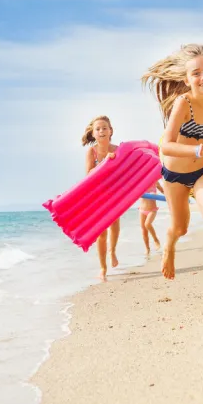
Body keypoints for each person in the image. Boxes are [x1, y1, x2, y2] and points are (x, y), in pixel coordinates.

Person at [141, 44, 203, 308]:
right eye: (196, 73)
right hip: (175, 172)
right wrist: (199, 148)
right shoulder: (183, 103)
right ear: (187, 80)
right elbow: (166, 145)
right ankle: (169, 246)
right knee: (181, 227)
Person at [82, 115, 121, 282]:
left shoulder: (117, 149)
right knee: (101, 233)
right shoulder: (92, 152)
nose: (102, 131)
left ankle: (112, 250)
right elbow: (89, 173)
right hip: (97, 195)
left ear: (110, 131)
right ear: (93, 133)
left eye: (105, 128)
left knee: (115, 225)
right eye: (98, 129)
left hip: (115, 193)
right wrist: (105, 162)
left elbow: (122, 171)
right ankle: (103, 268)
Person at [139, 181, 164, 255]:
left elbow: (163, 191)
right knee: (144, 231)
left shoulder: (155, 182)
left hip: (152, 210)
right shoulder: (141, 183)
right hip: (142, 210)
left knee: (147, 224)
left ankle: (156, 240)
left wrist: (156, 195)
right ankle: (147, 249)